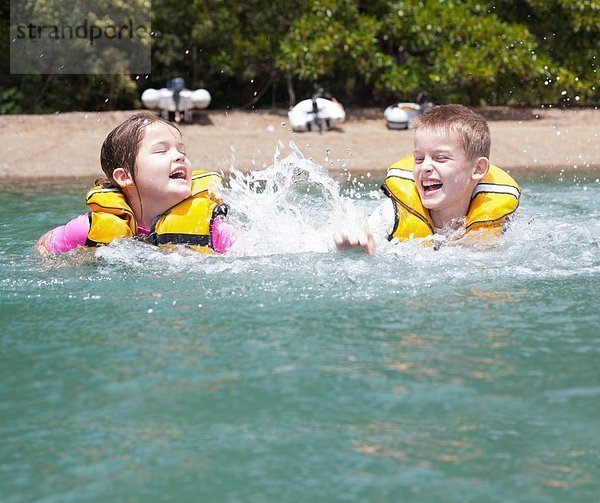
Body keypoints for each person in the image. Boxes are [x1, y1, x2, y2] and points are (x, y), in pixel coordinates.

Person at [36, 112, 235, 255]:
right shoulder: (89, 228)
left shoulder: (211, 227)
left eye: (182, 152)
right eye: (161, 151)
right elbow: (45, 245)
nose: (179, 157)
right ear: (125, 177)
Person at [335, 104, 521, 254]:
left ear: (478, 169)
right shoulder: (394, 214)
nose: (425, 167)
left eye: (440, 158)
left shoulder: (500, 221)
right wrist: (356, 245)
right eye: (419, 159)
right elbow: (368, 235)